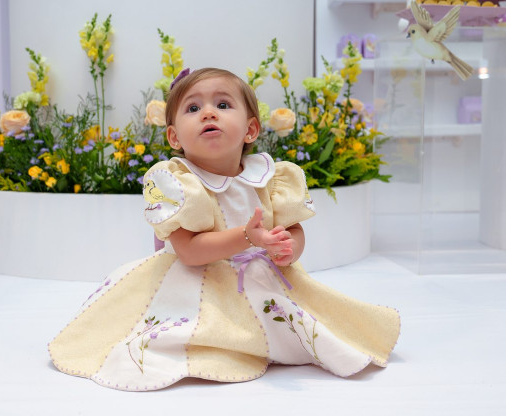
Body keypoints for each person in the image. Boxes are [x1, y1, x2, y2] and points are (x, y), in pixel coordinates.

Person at [49, 68, 400, 392]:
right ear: (174, 136)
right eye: (193, 108)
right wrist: (247, 237)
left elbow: (292, 229)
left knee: (310, 323)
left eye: (222, 104)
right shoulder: (179, 184)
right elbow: (188, 251)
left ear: (250, 130)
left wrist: (287, 247)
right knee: (178, 333)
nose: (208, 113)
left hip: (258, 279)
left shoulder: (270, 178)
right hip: (194, 279)